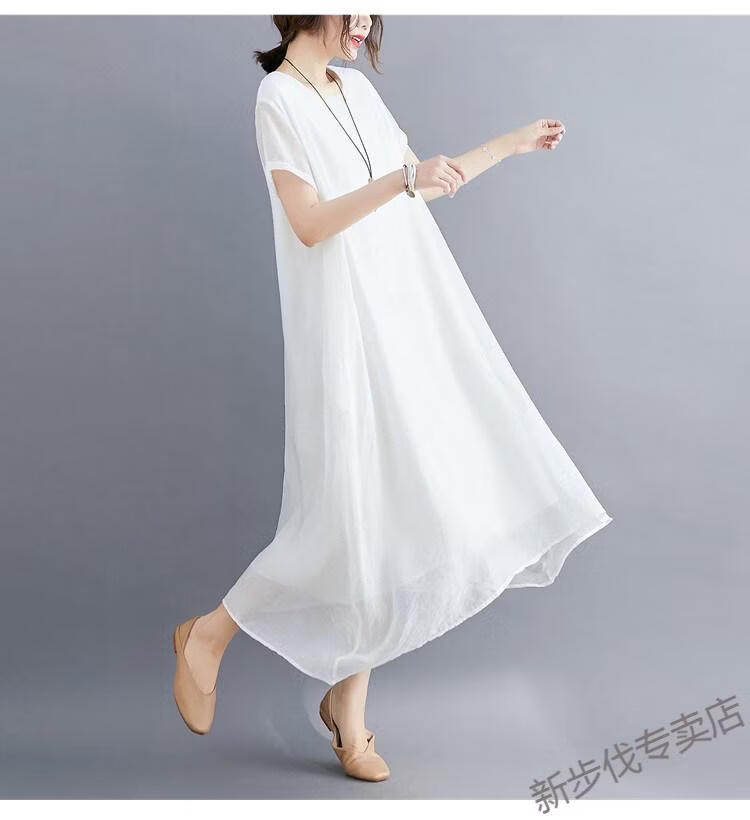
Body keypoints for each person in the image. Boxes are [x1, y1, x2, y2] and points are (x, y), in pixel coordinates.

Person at [172, 14, 613, 783]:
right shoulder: (279, 99)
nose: (367, 23)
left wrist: (508, 144)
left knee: (386, 516)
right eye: (358, 6)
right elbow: (310, 224)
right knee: (339, 517)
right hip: (342, 333)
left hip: (403, 322)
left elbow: (427, 183)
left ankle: (346, 710)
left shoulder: (360, 93)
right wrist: (401, 181)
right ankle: (207, 635)